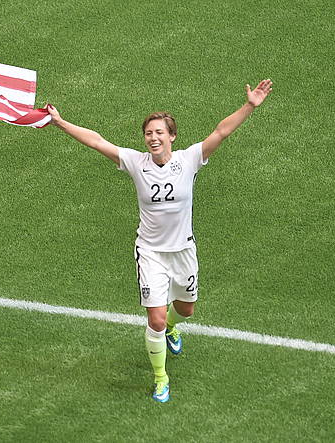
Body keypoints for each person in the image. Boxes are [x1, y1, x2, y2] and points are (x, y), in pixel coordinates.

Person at [47, 79, 273, 402]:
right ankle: (161, 378)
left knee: (186, 308)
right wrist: (60, 122)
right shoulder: (136, 163)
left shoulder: (189, 160)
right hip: (150, 252)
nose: (153, 138)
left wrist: (249, 106)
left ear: (172, 136)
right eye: (148, 134)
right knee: (154, 317)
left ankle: (171, 326)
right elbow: (97, 142)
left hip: (183, 250)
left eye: (158, 133)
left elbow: (221, 132)